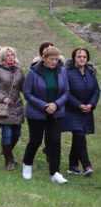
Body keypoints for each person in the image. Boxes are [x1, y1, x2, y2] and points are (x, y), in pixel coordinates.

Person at [22, 46, 70, 184]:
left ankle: (55, 172)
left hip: (56, 113)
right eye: (51, 59)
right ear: (43, 59)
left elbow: (66, 91)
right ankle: (27, 164)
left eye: (56, 59)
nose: (54, 62)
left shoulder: (62, 72)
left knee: (54, 142)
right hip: (37, 112)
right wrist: (44, 106)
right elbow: (27, 93)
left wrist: (56, 104)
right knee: (36, 140)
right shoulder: (33, 72)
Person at [0, 47, 25, 170]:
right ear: (3, 57)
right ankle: (8, 161)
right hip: (3, 107)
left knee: (17, 134)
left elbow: (23, 87)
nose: (11, 57)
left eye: (12, 55)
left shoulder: (18, 70)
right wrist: (2, 98)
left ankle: (9, 152)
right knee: (7, 134)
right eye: (8, 55)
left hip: (16, 106)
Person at [63, 47, 100, 176]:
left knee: (79, 137)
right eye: (79, 57)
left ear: (87, 58)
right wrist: (79, 105)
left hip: (87, 111)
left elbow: (96, 90)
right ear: (74, 58)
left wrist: (91, 104)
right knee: (79, 135)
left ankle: (72, 165)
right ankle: (86, 165)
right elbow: (65, 92)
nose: (82, 59)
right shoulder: (67, 72)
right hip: (72, 110)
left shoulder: (91, 72)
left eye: (84, 57)